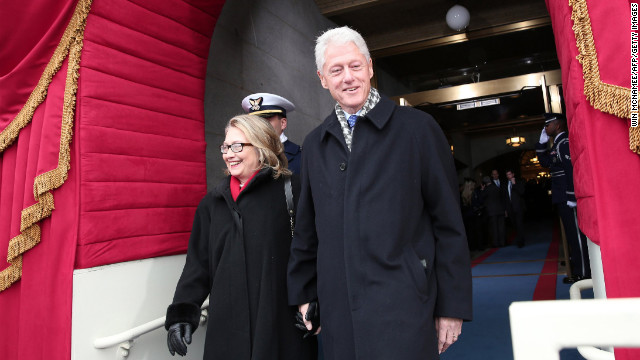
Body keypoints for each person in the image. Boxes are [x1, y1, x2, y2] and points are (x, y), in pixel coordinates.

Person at [287, 26, 472, 360]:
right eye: (336, 70)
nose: (348, 77)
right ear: (322, 78)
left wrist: (451, 306)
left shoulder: (418, 128)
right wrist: (304, 293)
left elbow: (448, 223)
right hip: (339, 308)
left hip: (405, 302)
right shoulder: (315, 143)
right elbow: (307, 228)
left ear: (370, 67)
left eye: (355, 66)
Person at [165, 114, 317, 359]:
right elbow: (198, 265)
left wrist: (314, 297)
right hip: (227, 330)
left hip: (280, 326)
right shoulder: (212, 203)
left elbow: (315, 251)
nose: (229, 154)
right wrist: (183, 312)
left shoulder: (293, 191)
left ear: (261, 146)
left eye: (237, 146)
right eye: (225, 147)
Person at [536, 112, 591, 284]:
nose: (545, 128)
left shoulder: (564, 143)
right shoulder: (556, 144)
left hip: (567, 197)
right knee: (570, 234)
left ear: (557, 125)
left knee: (576, 235)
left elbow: (570, 170)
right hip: (561, 197)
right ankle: (578, 268)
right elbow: (545, 162)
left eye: (547, 125)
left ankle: (584, 272)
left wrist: (571, 195)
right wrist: (541, 143)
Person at [242, 93, 302, 174]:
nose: (259, 126)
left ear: (283, 123)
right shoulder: (243, 154)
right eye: (255, 122)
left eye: (266, 121)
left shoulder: (302, 157)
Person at [504, 169, 526, 247]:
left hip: (518, 207)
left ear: (513, 174)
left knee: (519, 224)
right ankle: (519, 238)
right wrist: (506, 209)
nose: (508, 176)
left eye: (509, 174)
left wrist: (514, 184)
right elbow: (505, 198)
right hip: (510, 209)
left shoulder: (519, 181)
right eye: (507, 175)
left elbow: (522, 192)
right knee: (515, 225)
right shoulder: (505, 184)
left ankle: (521, 241)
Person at [483, 172, 506, 247]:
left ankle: (496, 243)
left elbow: (482, 199)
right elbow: (502, 198)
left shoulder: (486, 190)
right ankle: (502, 242)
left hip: (492, 212)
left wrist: (482, 190)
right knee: (501, 227)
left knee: (494, 228)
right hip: (500, 210)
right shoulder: (496, 188)